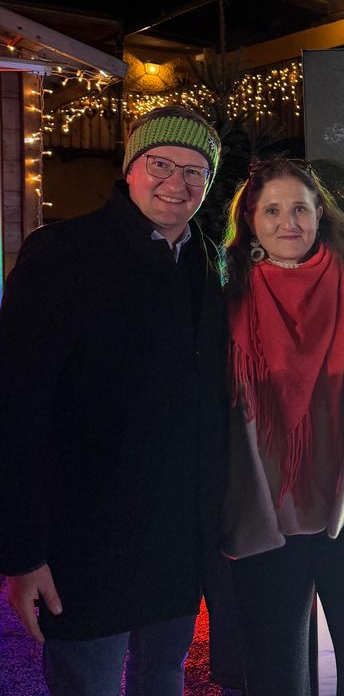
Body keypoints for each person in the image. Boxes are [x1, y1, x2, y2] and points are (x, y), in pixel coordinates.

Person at [0, 105, 228, 695]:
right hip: (85, 549)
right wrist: (21, 553)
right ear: (130, 168)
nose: (177, 184)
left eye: (195, 171)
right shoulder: (62, 254)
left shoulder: (209, 265)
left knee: (162, 679)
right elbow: (15, 410)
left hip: (177, 549)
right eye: (161, 164)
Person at [220, 157, 344, 696]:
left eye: (301, 209)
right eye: (273, 210)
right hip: (264, 513)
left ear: (320, 214)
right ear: (251, 220)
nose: (290, 223)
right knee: (275, 674)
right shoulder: (228, 289)